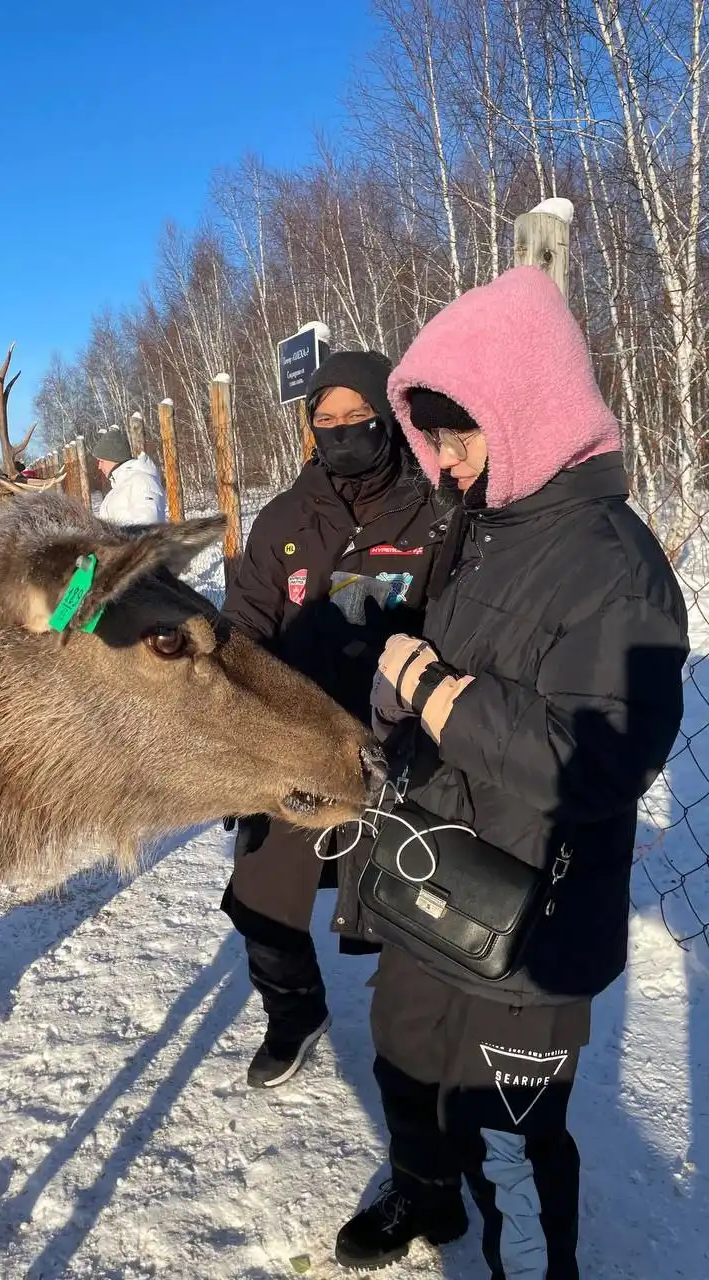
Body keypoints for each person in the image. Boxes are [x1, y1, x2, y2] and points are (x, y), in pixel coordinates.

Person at [332, 266, 688, 1277]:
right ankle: (422, 1191)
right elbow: (453, 673)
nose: (439, 463)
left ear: (525, 411)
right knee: (402, 1068)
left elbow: (599, 759)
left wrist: (440, 693)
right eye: (432, 436)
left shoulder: (617, 568)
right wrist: (400, 693)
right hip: (432, 883)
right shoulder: (485, 528)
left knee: (511, 1139)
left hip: (531, 923)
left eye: (459, 434)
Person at [221, 350, 450, 1088]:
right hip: (294, 743)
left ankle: (415, 1056)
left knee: (408, 916)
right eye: (327, 421)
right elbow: (247, 619)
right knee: (260, 900)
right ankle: (294, 1013)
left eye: (359, 419)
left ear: (391, 418)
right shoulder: (287, 516)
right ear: (309, 429)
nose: (343, 433)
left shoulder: (437, 512)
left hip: (401, 745)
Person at [92, 425, 167, 525]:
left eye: (101, 461)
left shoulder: (142, 481)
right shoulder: (121, 485)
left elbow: (148, 529)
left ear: (113, 457)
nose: (99, 467)